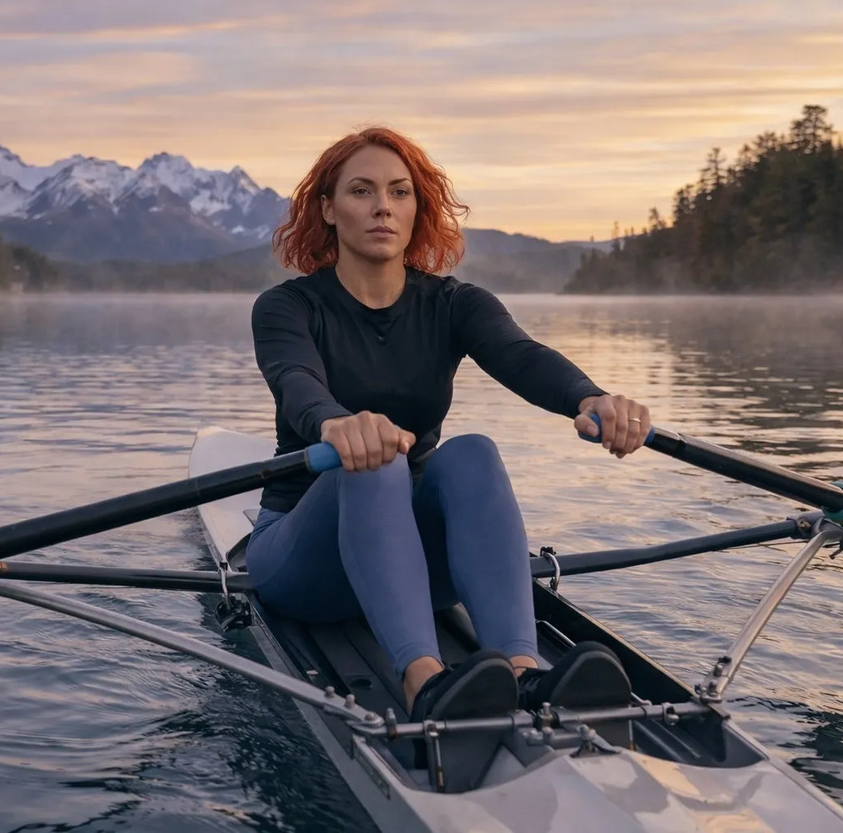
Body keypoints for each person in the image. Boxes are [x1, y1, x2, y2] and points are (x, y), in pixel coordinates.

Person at [247, 126, 649, 724]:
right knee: (379, 461)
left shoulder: (456, 304)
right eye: (361, 191)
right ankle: (423, 683)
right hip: (304, 566)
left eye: (399, 192)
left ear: (417, 208)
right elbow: (297, 382)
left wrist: (590, 398)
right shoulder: (287, 307)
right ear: (328, 210)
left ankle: (524, 671)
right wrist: (336, 424)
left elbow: (522, 356)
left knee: (472, 452)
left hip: (415, 564)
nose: (383, 206)